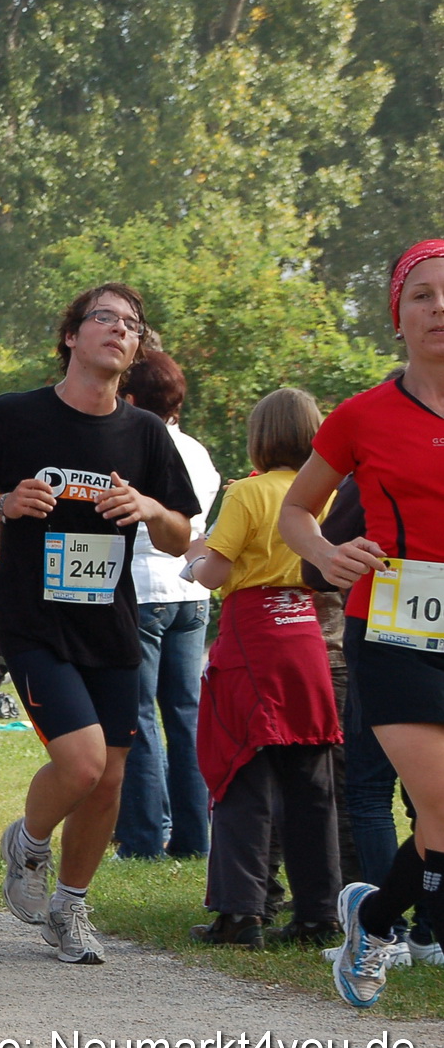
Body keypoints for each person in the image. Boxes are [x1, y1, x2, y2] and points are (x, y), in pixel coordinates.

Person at [0, 281, 199, 966]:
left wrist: (148, 508)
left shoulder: (145, 432)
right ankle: (28, 844)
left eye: (132, 324)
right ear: (72, 335)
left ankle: (70, 906)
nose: (120, 330)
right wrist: (5, 503)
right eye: (105, 318)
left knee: (112, 777)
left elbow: (183, 535)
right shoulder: (16, 414)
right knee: (82, 760)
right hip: (34, 619)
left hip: (111, 622)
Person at [279, 239, 444, 1007]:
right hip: (394, 629)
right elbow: (294, 510)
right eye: (422, 296)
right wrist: (327, 550)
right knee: (442, 799)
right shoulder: (362, 415)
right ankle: (383, 924)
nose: (439, 307)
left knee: (440, 813)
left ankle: (373, 921)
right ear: (398, 317)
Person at [185, 388, 341, 948]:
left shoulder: (249, 493)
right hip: (307, 632)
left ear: (260, 436)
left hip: (254, 634)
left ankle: (241, 911)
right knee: (311, 781)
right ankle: (319, 913)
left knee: (241, 768)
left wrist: (194, 553)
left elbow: (213, 573)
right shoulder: (325, 495)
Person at [115, 352, 218, 860]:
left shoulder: (134, 442)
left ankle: (142, 837)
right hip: (193, 591)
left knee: (139, 717)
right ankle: (195, 837)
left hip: (143, 585)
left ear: (130, 399)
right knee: (186, 716)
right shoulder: (198, 451)